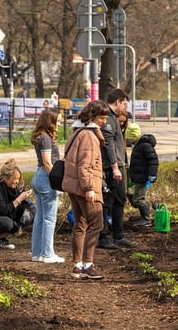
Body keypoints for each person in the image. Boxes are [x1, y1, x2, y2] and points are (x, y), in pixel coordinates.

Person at [62, 100, 109, 279]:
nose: (104, 121)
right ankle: (88, 264)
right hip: (85, 187)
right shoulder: (89, 137)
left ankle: (77, 265)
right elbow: (85, 166)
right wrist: (89, 188)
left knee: (80, 225)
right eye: (102, 117)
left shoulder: (77, 132)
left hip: (73, 186)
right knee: (96, 223)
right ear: (92, 116)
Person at [97, 88, 137, 250]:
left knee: (120, 199)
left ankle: (119, 235)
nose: (126, 108)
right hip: (111, 168)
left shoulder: (113, 118)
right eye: (125, 104)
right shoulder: (107, 119)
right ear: (118, 102)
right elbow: (108, 145)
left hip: (118, 166)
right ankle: (103, 236)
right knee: (107, 202)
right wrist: (114, 167)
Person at [29, 109, 65, 263]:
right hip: (46, 178)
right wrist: (58, 180)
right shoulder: (46, 139)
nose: (59, 124)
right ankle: (48, 254)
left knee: (40, 217)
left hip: (39, 176)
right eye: (57, 121)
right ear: (50, 121)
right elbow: (47, 163)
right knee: (49, 218)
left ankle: (37, 253)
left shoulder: (40, 137)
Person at [128, 134, 159, 227]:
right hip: (139, 177)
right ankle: (147, 213)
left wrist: (152, 175)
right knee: (137, 198)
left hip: (143, 178)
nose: (128, 140)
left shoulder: (145, 146)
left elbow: (153, 161)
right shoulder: (139, 145)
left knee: (138, 199)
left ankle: (146, 219)